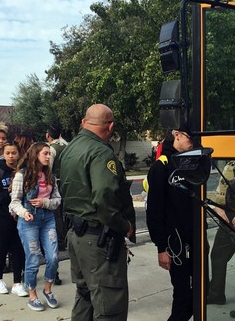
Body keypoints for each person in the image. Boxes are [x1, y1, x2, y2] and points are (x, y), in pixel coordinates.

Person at [59, 104, 136, 321]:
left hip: (76, 235)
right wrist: (125, 226)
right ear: (110, 126)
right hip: (97, 239)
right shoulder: (102, 152)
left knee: (85, 296)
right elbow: (104, 196)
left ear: (84, 122)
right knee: (109, 305)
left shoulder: (70, 149)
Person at [146, 127, 195, 321]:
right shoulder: (161, 167)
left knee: (200, 290)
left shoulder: (190, 163)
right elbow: (154, 212)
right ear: (177, 135)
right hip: (175, 243)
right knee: (183, 296)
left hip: (194, 239)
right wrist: (162, 248)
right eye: (190, 137)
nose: (193, 142)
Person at [10, 142, 61, 311]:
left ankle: (48, 290)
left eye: (49, 154)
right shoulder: (21, 175)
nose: (48, 156)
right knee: (33, 259)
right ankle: (32, 295)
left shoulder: (50, 176)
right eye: (45, 153)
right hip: (28, 222)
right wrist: (24, 212)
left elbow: (57, 200)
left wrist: (45, 202)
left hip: (47, 219)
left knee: (53, 257)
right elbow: (15, 202)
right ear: (35, 155)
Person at [0, 139, 27, 297]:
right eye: (7, 153)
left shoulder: (23, 171)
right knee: (2, 248)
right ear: (4, 154)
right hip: (3, 215)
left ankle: (17, 282)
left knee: (18, 249)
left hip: (20, 216)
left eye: (13, 153)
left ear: (18, 154)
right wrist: (7, 194)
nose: (11, 156)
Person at [208, 161, 235, 307]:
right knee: (218, 256)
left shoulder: (233, 166)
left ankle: (217, 294)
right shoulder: (232, 165)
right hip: (231, 217)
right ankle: (216, 294)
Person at [46, 124, 68, 282]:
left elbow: (48, 168)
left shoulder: (51, 149)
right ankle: (64, 238)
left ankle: (60, 240)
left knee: (56, 215)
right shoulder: (67, 145)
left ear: (48, 135)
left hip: (56, 183)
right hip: (68, 181)